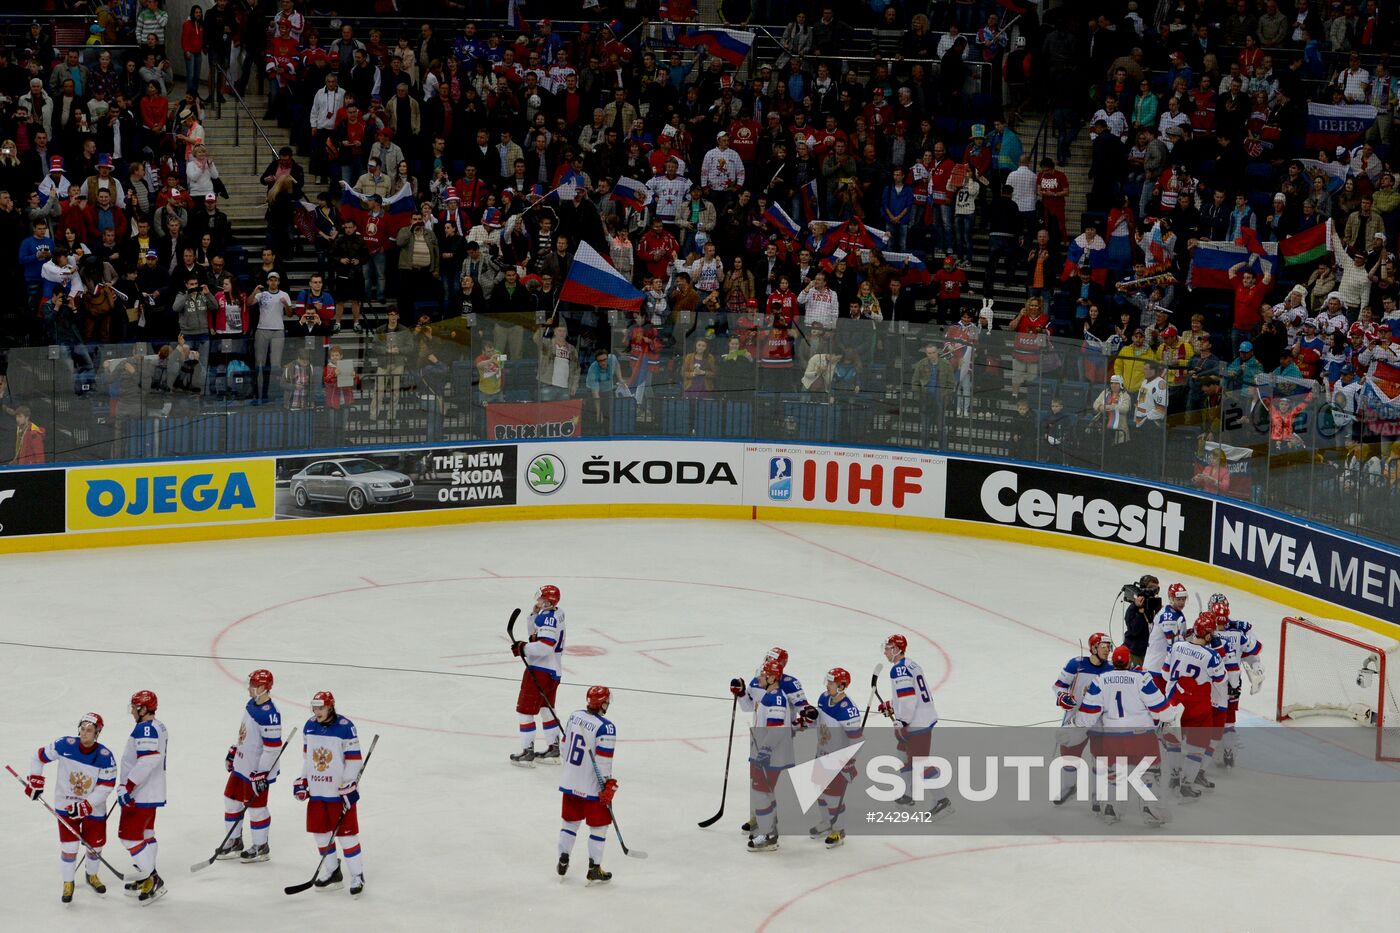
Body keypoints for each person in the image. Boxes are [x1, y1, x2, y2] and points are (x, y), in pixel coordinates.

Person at [1073, 646, 1180, 825]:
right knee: (1149, 773)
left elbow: (1087, 716)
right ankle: (1150, 811)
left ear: (1113, 662)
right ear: (1129, 661)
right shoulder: (1141, 678)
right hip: (1141, 737)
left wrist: (1077, 722)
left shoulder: (1101, 680)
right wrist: (1169, 716)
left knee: (1114, 773)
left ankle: (1110, 809)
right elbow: (1161, 710)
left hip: (1113, 737)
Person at [23, 712, 117, 904]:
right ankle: (68, 882)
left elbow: (106, 786)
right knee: (69, 847)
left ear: (97, 733)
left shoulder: (105, 756)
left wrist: (86, 805)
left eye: (89, 730)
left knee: (95, 846)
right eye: (82, 729)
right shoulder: (65, 745)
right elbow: (37, 757)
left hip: (94, 809)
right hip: (65, 805)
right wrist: (35, 782)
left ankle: (92, 876)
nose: (84, 733)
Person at [292, 691, 365, 897]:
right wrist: (303, 780)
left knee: (347, 836)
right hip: (317, 793)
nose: (317, 712)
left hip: (338, 794)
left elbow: (354, 761)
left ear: (330, 707)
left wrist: (348, 786)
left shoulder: (345, 727)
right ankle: (332, 872)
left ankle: (357, 875)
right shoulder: (309, 725)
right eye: (314, 708)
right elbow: (308, 759)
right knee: (321, 834)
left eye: (321, 708)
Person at [877, 634, 952, 819]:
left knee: (919, 762)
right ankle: (909, 794)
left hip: (917, 723)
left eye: (888, 648)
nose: (885, 651)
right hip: (920, 717)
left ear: (896, 649)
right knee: (902, 754)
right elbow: (910, 694)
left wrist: (901, 721)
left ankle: (942, 801)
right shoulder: (911, 664)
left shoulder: (898, 670)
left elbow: (908, 699)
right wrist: (892, 705)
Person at [218, 669, 282, 863]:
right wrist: (235, 750)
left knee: (256, 808)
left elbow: (272, 749)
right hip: (242, 765)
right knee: (231, 800)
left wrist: (261, 773)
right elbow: (245, 733)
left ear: (263, 687)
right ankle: (234, 841)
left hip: (256, 770)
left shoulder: (270, 715)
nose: (249, 688)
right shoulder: (251, 704)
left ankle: (261, 846)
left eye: (253, 685)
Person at [556, 685, 618, 883]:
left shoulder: (575, 716)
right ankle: (594, 867)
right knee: (599, 828)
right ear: (603, 703)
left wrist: (573, 770)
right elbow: (603, 763)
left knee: (570, 823)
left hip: (569, 780)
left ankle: (563, 858)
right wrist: (608, 785)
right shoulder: (606, 727)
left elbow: (564, 748)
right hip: (591, 786)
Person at [1164, 615, 1226, 799]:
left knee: (1173, 742)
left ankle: (1174, 778)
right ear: (1207, 635)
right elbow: (1221, 681)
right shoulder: (1212, 656)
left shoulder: (1176, 646)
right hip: (1198, 706)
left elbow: (1165, 671)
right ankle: (1186, 785)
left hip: (1175, 702)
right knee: (1197, 747)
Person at [1051, 632, 1114, 808]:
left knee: (1100, 759)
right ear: (1093, 647)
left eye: (1109, 646)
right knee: (1069, 755)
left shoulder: (1111, 668)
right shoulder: (1076, 665)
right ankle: (1069, 787)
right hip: (1077, 719)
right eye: (1104, 646)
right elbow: (1058, 686)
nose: (1107, 650)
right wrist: (1062, 696)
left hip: (1100, 721)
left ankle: (1098, 795)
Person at [736, 657, 793, 852]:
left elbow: (776, 731)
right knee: (764, 792)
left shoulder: (776, 698)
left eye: (764, 674)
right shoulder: (767, 696)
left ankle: (769, 836)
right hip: (764, 752)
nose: (760, 677)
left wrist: (765, 752)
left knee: (762, 792)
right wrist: (742, 693)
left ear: (772, 678)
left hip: (771, 756)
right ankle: (768, 830)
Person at [117, 690, 167, 903]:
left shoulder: (146, 728)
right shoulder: (157, 726)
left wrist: (127, 786)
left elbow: (148, 760)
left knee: (128, 837)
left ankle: (152, 878)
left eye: (135, 708)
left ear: (144, 709)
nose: (132, 711)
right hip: (150, 792)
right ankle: (148, 878)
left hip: (140, 794)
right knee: (147, 834)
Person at [806, 667, 863, 848]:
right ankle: (826, 822)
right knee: (819, 791)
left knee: (833, 797)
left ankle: (839, 829)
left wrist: (848, 762)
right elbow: (819, 722)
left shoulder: (848, 710)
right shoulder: (823, 698)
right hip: (821, 752)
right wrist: (810, 718)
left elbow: (856, 741)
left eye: (831, 683)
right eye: (828, 681)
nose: (827, 685)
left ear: (842, 686)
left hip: (837, 760)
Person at [510, 585, 565, 766]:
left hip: (540, 671)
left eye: (541, 599)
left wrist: (523, 648)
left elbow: (544, 646)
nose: (538, 601)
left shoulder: (549, 619)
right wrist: (533, 617)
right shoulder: (556, 614)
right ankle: (554, 748)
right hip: (553, 671)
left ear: (548, 602)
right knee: (546, 709)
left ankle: (527, 753)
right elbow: (536, 636)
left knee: (525, 711)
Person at [1208, 595, 1265, 769]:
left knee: (1211, 716)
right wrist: (1245, 631)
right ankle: (1228, 751)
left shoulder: (1208, 635)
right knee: (1229, 719)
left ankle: (1207, 750)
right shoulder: (1238, 633)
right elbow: (1255, 649)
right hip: (1234, 683)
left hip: (1213, 684)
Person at [250, 272, 291, 404]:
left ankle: (272, 393)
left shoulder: (284, 295)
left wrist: (286, 305)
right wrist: (254, 291)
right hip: (262, 329)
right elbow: (249, 303)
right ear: (267, 282)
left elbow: (290, 314)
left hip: (278, 330)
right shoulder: (262, 294)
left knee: (275, 364)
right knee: (259, 363)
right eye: (271, 280)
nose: (273, 282)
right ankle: (259, 393)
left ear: (279, 282)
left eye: (276, 280)